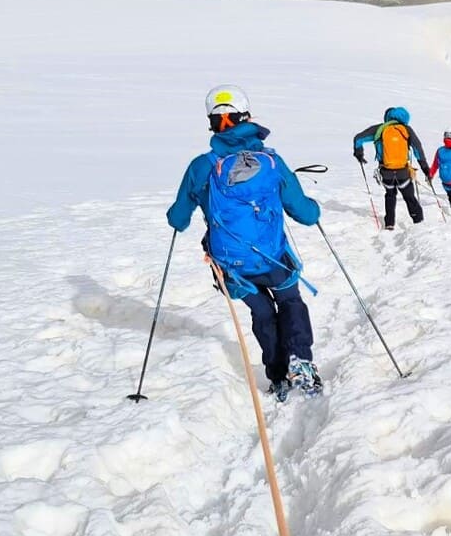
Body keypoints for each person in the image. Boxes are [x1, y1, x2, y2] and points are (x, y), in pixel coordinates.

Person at [168, 86, 323, 400]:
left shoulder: (202, 166)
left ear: (213, 124)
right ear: (247, 118)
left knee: (263, 314)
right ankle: (300, 362)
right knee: (290, 302)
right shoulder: (272, 162)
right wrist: (315, 208)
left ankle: (278, 376)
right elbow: (304, 214)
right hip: (274, 260)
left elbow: (178, 218)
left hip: (231, 267)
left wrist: (183, 210)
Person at [353, 107, 428, 229]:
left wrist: (359, 153)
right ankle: (418, 222)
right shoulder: (406, 129)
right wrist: (425, 168)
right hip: (403, 172)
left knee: (390, 195)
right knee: (409, 197)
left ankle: (389, 224)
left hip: (386, 171)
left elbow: (358, 138)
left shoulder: (380, 129)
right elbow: (417, 148)